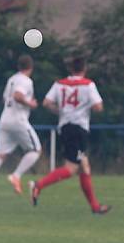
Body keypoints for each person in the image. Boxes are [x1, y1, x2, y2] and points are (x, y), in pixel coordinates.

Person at [29, 57, 110, 214]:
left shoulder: (60, 84)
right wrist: (87, 107)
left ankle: (95, 207)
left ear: (70, 69)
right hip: (78, 129)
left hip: (65, 127)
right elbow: (98, 107)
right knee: (71, 168)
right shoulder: (88, 85)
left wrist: (61, 111)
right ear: (84, 69)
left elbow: (46, 103)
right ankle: (38, 185)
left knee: (84, 167)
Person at [0, 55, 42, 198]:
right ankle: (16, 175)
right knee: (36, 150)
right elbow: (18, 96)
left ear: (18, 66)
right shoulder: (25, 80)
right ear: (31, 68)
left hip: (5, 119)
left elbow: (5, 98)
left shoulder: (12, 79)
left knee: (0, 155)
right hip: (18, 120)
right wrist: (30, 103)